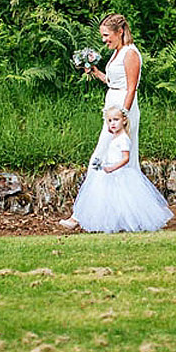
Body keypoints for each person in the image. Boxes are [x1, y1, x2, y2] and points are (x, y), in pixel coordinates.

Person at [60, 13, 148, 229]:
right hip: (112, 109)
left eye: (107, 35)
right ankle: (120, 216)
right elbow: (112, 82)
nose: (104, 40)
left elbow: (131, 87)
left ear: (120, 32)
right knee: (110, 159)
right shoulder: (118, 52)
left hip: (122, 112)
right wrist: (95, 72)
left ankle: (78, 216)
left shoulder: (130, 53)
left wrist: (122, 118)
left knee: (102, 156)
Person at [65, 106, 172, 233]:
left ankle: (135, 221)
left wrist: (113, 167)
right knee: (108, 198)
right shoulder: (114, 137)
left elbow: (125, 158)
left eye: (116, 120)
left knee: (125, 199)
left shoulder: (124, 139)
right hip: (109, 172)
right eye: (109, 121)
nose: (113, 123)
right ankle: (110, 223)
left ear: (124, 120)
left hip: (120, 173)